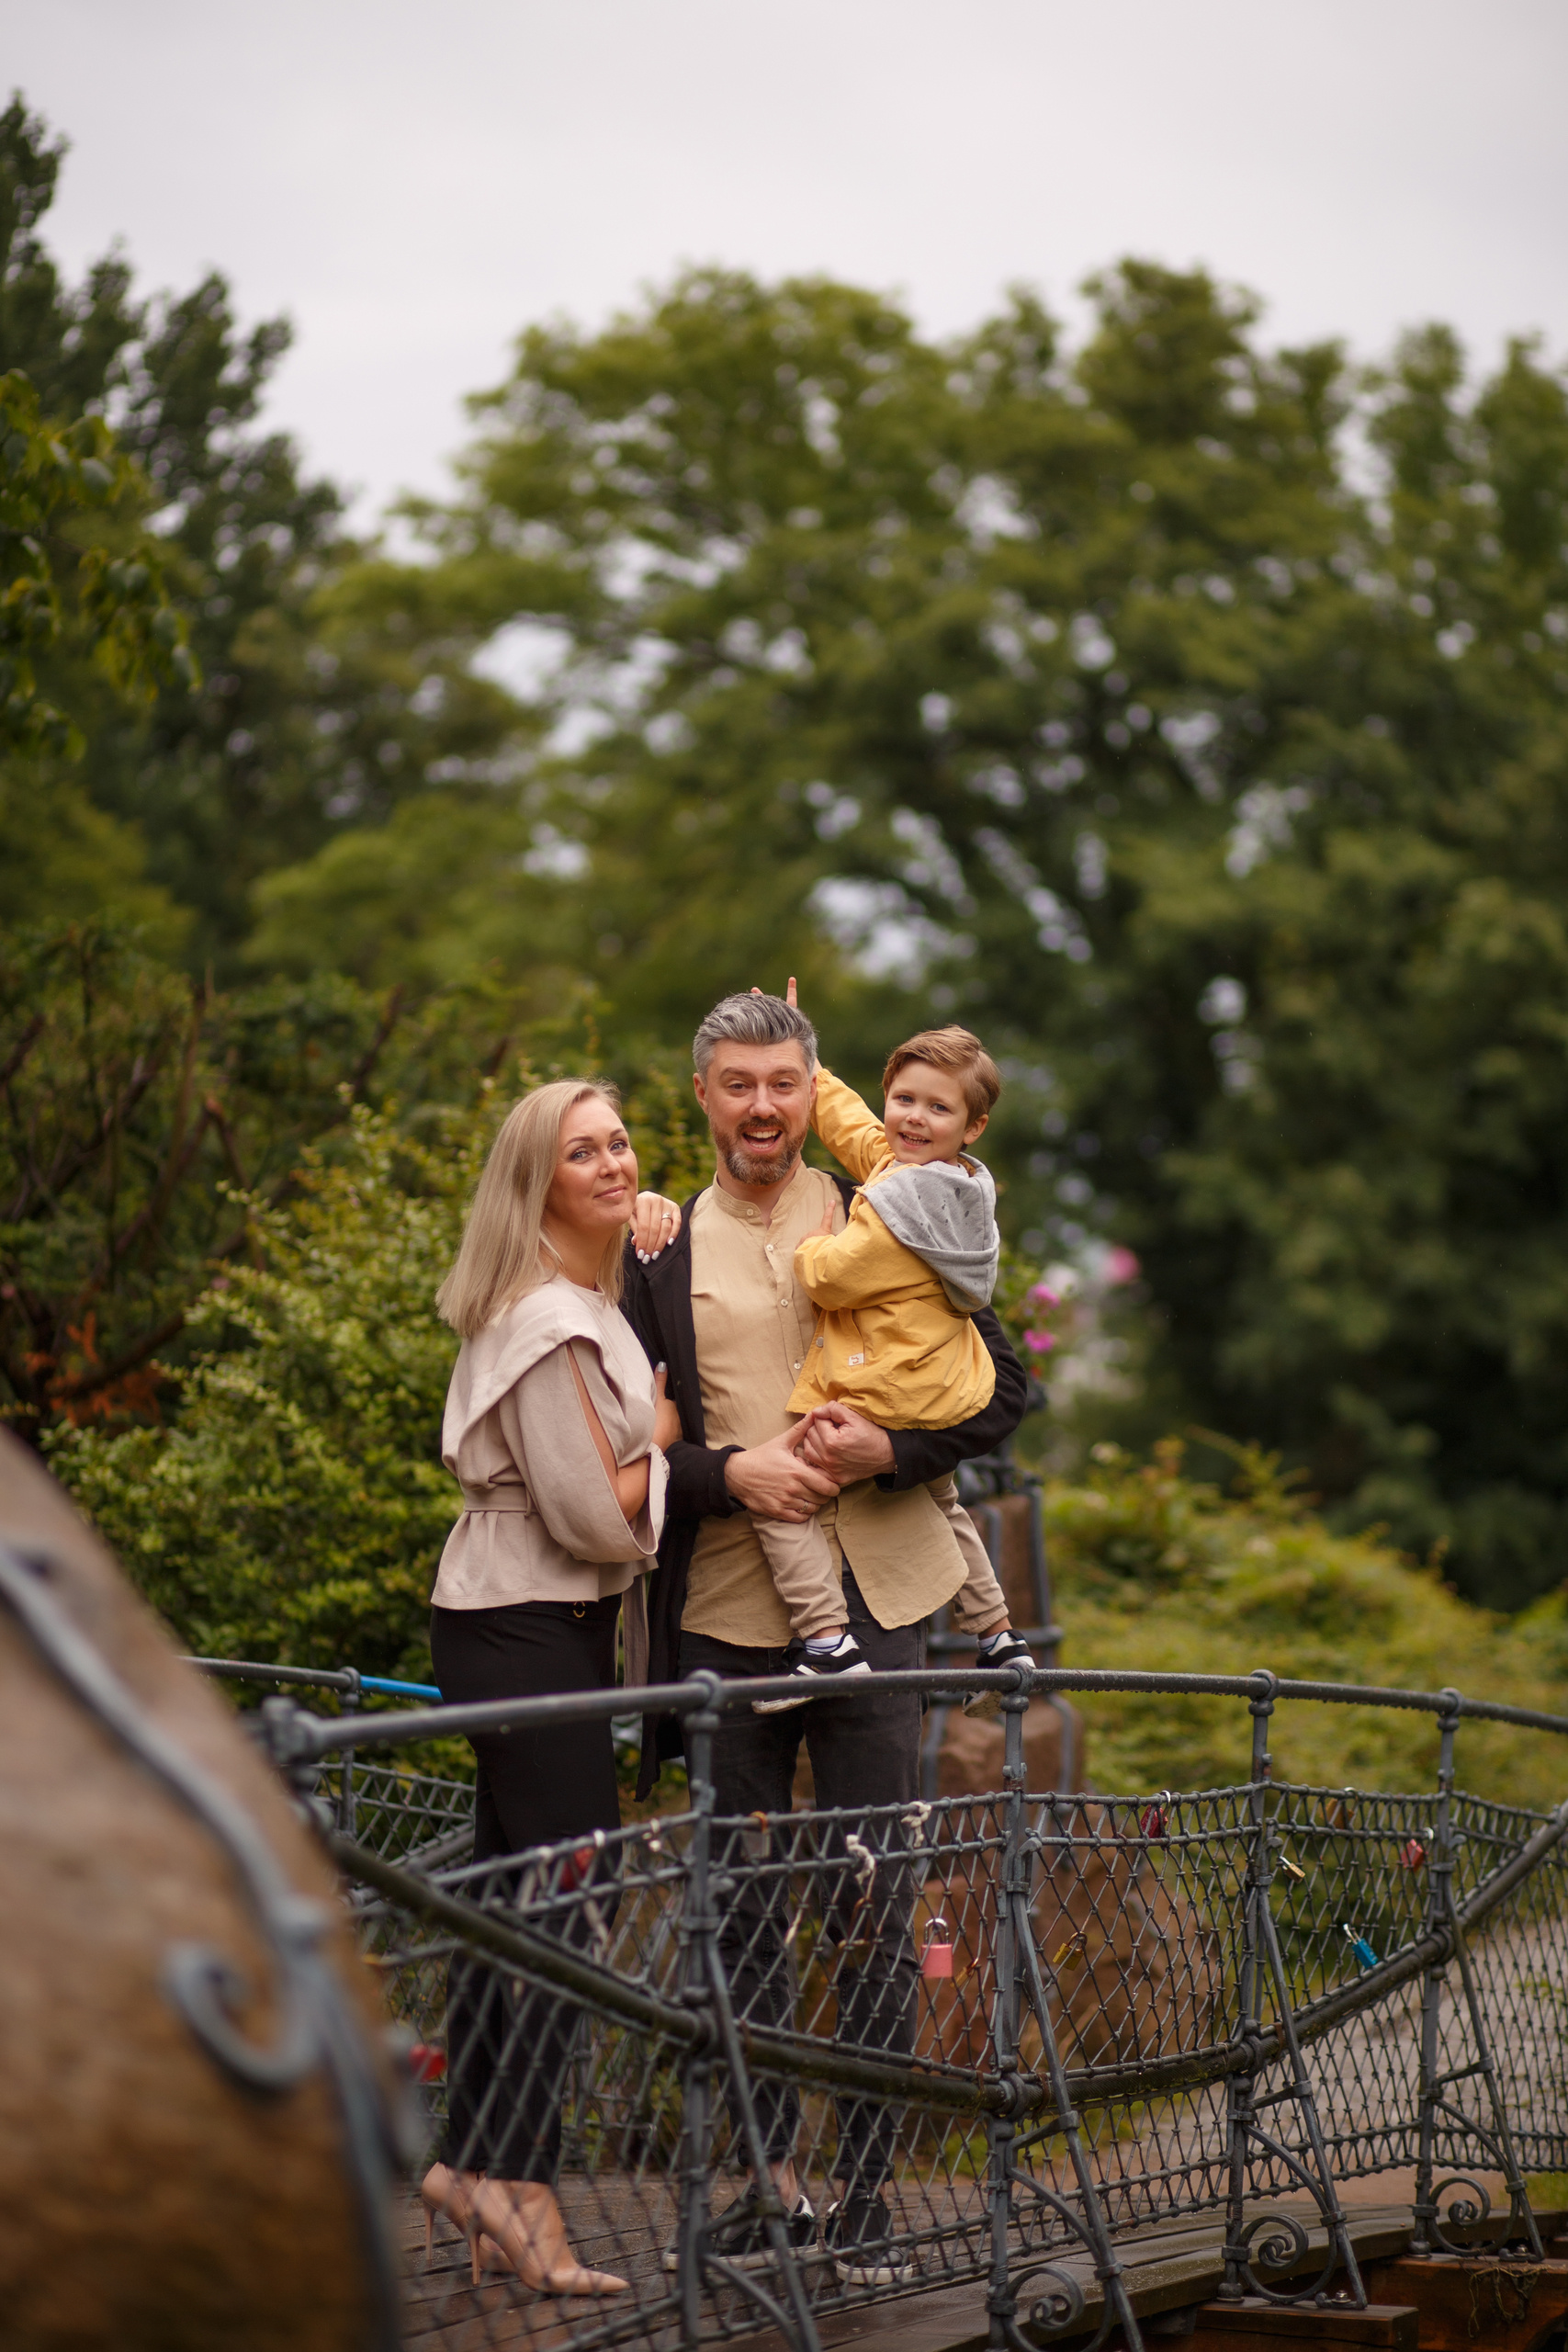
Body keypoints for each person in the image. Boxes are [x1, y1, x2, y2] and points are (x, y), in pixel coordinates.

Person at [624, 990, 1027, 2285]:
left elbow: (1003, 1390)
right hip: (730, 1614)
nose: (759, 1107)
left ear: (813, 1092)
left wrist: (897, 1448)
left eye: (780, 1084)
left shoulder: (892, 1202)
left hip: (885, 1596)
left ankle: (861, 2201)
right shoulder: (654, 1249)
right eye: (734, 1084)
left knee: (873, 1900)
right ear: (702, 1095)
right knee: (736, 1908)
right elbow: (629, 1455)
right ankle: (768, 2181)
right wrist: (730, 1476)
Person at [420, 1079, 682, 2295]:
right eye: (582, 1152)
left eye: (619, 1141)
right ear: (536, 1182)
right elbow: (590, 1513)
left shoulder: (582, 1294)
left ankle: (471, 2167)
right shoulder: (541, 1323)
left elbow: (638, 1259)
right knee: (576, 1903)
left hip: (547, 1630)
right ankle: (519, 2187)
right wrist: (671, 1449)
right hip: (520, 1622)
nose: (612, 1162)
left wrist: (653, 1220)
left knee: (515, 1909)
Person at [749, 1003, 1032, 1713]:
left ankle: (824, 1643)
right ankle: (996, 1631)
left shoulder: (893, 1214)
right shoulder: (952, 1185)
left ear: (971, 1126)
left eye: (936, 1108)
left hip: (885, 1386)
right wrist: (809, 1069)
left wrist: (814, 1242)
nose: (910, 1118)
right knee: (942, 1500)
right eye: (902, 1099)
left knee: (783, 1492)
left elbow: (830, 1279)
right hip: (940, 1383)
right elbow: (855, 1133)